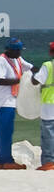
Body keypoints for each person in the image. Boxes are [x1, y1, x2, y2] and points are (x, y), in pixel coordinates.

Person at [0, 37, 31, 170]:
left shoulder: (18, 59)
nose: (19, 53)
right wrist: (20, 80)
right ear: (9, 50)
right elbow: (1, 80)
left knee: (5, 130)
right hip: (4, 100)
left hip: (12, 99)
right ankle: (6, 160)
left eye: (20, 50)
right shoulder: (2, 60)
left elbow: (30, 68)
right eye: (16, 50)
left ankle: (2, 160)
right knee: (6, 130)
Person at [30, 41, 54, 171]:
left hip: (49, 104)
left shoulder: (48, 65)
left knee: (48, 134)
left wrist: (32, 76)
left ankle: (49, 162)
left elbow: (36, 81)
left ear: (51, 52)